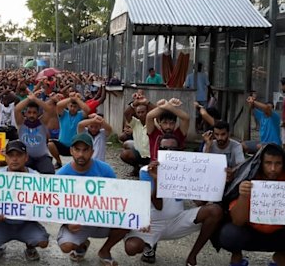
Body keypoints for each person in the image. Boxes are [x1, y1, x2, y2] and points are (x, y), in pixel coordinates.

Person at [124, 134, 224, 266]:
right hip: (152, 223)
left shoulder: (184, 171)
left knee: (215, 211)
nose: (169, 153)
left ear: (180, 152)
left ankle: (192, 257)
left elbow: (200, 202)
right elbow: (158, 206)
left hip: (176, 220)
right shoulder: (146, 171)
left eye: (173, 150)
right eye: (164, 149)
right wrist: (156, 179)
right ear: (158, 151)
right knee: (131, 248)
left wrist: (219, 178)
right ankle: (149, 246)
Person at [56, 133, 126, 265]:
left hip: (102, 220)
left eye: (85, 150)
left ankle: (105, 250)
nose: (81, 154)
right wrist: (67, 223)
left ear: (92, 151)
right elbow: (55, 207)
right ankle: (81, 245)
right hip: (77, 222)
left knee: (128, 221)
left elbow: (118, 197)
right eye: (77, 150)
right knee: (66, 246)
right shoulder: (61, 175)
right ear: (71, 151)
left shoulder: (106, 170)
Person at [0, 140, 50, 261]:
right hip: (3, 223)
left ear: (26, 157)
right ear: (5, 158)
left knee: (43, 241)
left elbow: (46, 202)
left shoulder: (36, 177)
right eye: (11, 155)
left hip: (26, 223)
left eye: (19, 155)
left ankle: (30, 247)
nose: (14, 159)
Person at [219, 143, 285, 266]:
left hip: (280, 233)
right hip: (251, 233)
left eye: (278, 163)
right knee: (229, 234)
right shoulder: (249, 176)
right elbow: (238, 221)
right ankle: (237, 257)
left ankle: (281, 256)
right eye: (268, 163)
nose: (273, 169)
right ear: (261, 163)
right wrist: (243, 195)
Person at [14, 91, 55, 174]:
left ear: (38, 113)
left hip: (42, 157)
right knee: (18, 173)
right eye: (29, 112)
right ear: (25, 113)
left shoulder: (42, 122)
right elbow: (17, 109)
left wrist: (35, 99)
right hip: (25, 158)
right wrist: (29, 99)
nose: (31, 115)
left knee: (49, 173)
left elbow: (49, 110)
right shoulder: (21, 122)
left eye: (34, 113)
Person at [48, 92, 91, 170]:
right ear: (67, 106)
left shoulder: (80, 115)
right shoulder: (64, 114)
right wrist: (71, 98)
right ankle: (58, 162)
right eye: (71, 106)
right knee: (50, 144)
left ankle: (78, 164)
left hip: (75, 146)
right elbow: (59, 105)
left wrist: (77, 99)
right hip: (62, 145)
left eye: (75, 107)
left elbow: (87, 110)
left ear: (78, 107)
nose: (72, 108)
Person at [120, 95, 153, 176]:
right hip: (139, 154)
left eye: (143, 112)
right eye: (138, 112)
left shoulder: (153, 122)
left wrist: (147, 103)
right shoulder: (135, 123)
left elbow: (157, 111)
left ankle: (147, 169)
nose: (141, 114)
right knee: (124, 154)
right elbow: (126, 114)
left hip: (152, 156)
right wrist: (134, 104)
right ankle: (136, 168)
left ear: (147, 112)